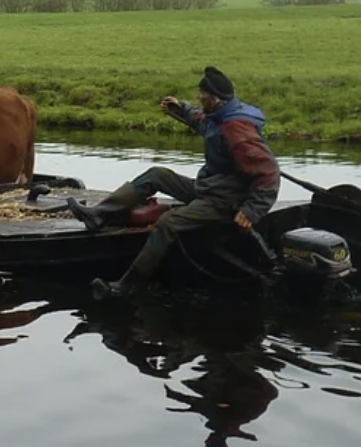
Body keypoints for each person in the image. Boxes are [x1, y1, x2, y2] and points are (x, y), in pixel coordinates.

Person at [67, 65, 280, 298]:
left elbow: (269, 173)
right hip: (210, 188)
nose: (199, 97)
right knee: (157, 175)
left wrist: (251, 210)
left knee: (168, 223)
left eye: (202, 95)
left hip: (225, 201)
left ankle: (129, 285)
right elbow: (201, 120)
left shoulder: (236, 129)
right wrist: (181, 110)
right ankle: (99, 215)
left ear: (216, 100)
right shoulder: (218, 116)